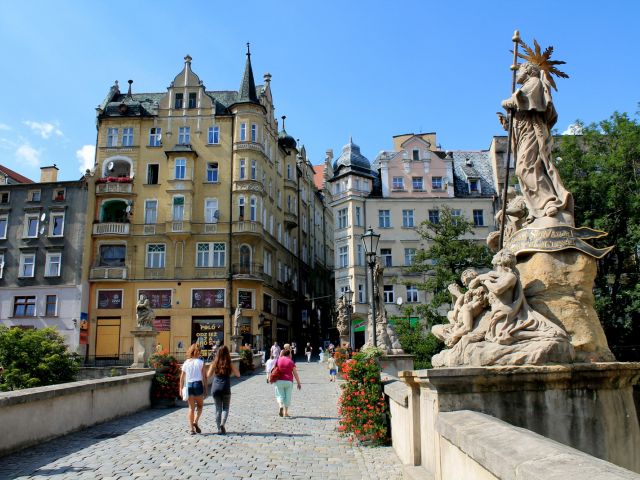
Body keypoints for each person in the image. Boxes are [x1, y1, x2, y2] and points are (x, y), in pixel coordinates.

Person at [500, 62, 573, 224]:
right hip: (522, 132)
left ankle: (549, 201)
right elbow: (519, 111)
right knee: (523, 170)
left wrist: (506, 102)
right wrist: (508, 123)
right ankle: (536, 209)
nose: (517, 73)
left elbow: (521, 100)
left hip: (532, 131)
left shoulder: (534, 82)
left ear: (527, 70)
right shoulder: (527, 84)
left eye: (520, 70)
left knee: (527, 167)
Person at [207, 345, 240, 434]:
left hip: (215, 388)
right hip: (225, 388)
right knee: (225, 408)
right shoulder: (229, 364)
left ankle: (218, 429)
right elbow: (238, 375)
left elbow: (208, 375)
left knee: (218, 409)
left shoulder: (214, 363)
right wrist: (232, 370)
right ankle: (222, 424)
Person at [180, 343, 207, 435]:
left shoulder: (186, 362)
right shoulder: (200, 362)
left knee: (191, 408)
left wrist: (180, 388)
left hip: (189, 385)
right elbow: (204, 377)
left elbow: (182, 377)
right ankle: (195, 421)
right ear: (198, 352)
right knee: (200, 406)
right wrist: (206, 389)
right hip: (198, 384)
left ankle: (191, 429)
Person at [273, 348, 301, 418]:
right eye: (291, 353)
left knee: (279, 395)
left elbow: (274, 369)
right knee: (287, 397)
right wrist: (298, 383)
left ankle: (280, 406)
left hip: (279, 380)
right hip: (288, 381)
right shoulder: (291, 362)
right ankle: (285, 413)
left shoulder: (278, 360)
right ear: (289, 354)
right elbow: (295, 373)